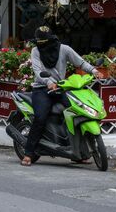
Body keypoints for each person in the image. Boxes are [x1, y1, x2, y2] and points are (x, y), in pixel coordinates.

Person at [21, 26, 103, 166]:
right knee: (40, 117)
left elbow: (80, 62)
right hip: (42, 89)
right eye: (39, 41)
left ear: (52, 39)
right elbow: (37, 71)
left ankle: (78, 153)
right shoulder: (36, 51)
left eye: (44, 41)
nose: (41, 44)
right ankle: (28, 153)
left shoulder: (64, 49)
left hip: (62, 87)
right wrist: (49, 82)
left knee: (77, 112)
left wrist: (94, 71)